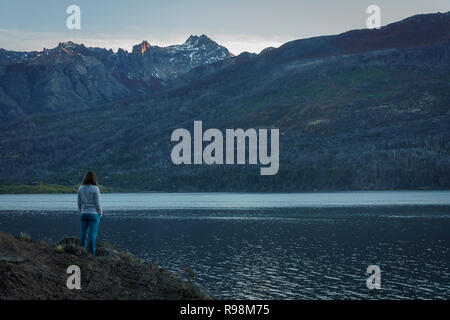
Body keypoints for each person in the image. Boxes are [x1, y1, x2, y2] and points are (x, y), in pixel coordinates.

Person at [77, 171, 103, 255]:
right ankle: (92, 253)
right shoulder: (95, 188)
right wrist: (100, 213)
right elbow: (98, 203)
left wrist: (81, 211)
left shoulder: (80, 188)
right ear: (94, 179)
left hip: (83, 213)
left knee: (83, 234)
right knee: (92, 235)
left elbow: (79, 202)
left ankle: (82, 251)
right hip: (94, 214)